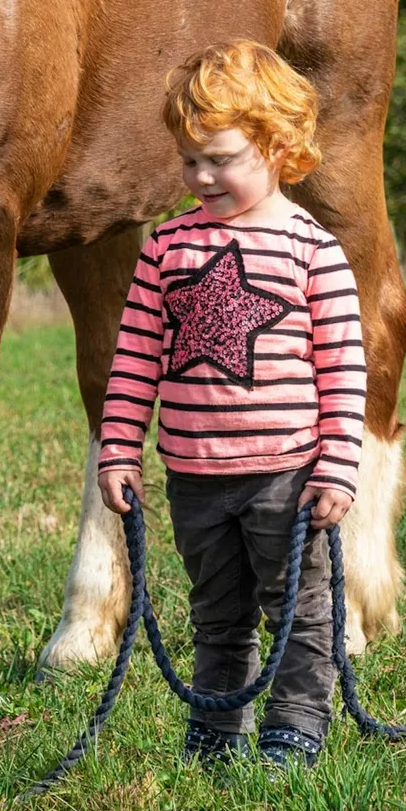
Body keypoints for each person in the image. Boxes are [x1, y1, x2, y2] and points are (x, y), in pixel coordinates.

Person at [97, 40, 366, 770]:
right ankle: (218, 731)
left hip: (287, 475)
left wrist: (338, 468)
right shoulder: (166, 250)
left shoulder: (314, 252)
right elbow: (134, 362)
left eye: (221, 158)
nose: (201, 176)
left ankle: (296, 726)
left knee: (298, 612)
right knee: (216, 615)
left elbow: (344, 370)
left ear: (278, 148)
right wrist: (119, 447)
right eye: (189, 160)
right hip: (194, 477)